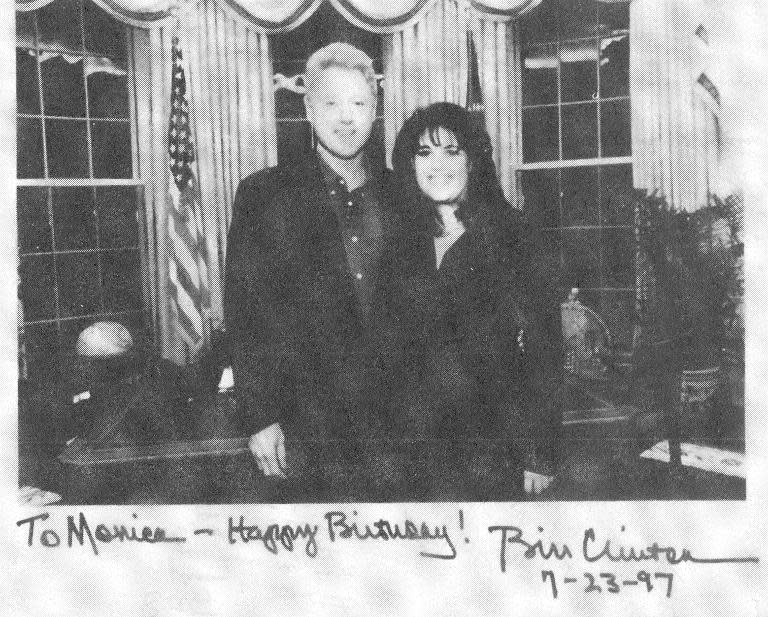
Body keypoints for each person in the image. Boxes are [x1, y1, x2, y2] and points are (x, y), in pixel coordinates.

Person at [224, 43, 396, 499]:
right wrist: (260, 417)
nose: (346, 117)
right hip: (308, 425)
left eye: (359, 103)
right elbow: (245, 314)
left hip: (400, 427)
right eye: (331, 103)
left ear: (375, 111)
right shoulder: (264, 195)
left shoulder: (404, 193)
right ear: (308, 110)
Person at [387, 102, 562, 499]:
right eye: (424, 153)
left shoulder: (515, 235)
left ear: (473, 161)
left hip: (497, 445)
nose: (438, 165)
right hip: (417, 449)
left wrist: (539, 453)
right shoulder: (402, 242)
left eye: (453, 151)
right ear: (410, 166)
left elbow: (545, 348)